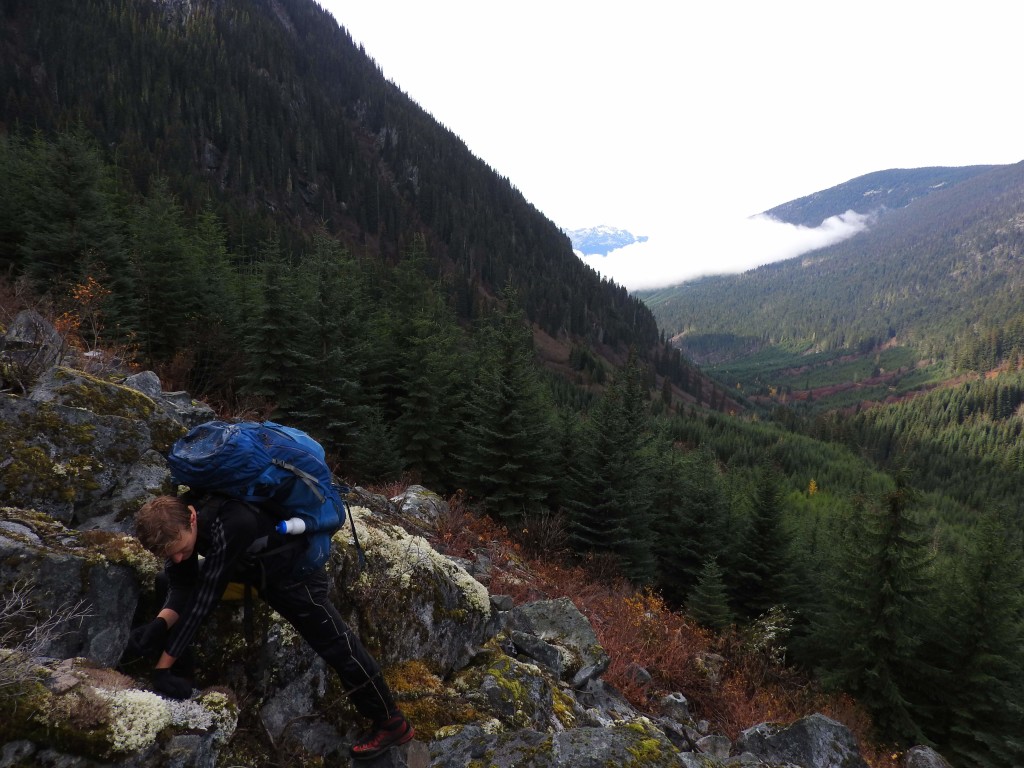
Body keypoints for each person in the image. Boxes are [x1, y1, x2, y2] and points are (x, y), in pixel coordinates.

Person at [129, 494, 414, 760]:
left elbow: (206, 596)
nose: (179, 558)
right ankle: (183, 674)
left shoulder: (234, 522)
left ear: (191, 518)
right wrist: (159, 624)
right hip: (248, 567)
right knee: (165, 582)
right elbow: (183, 582)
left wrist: (162, 665)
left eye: (181, 550)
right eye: (171, 555)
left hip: (294, 575)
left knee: (336, 644)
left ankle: (391, 721)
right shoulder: (187, 515)